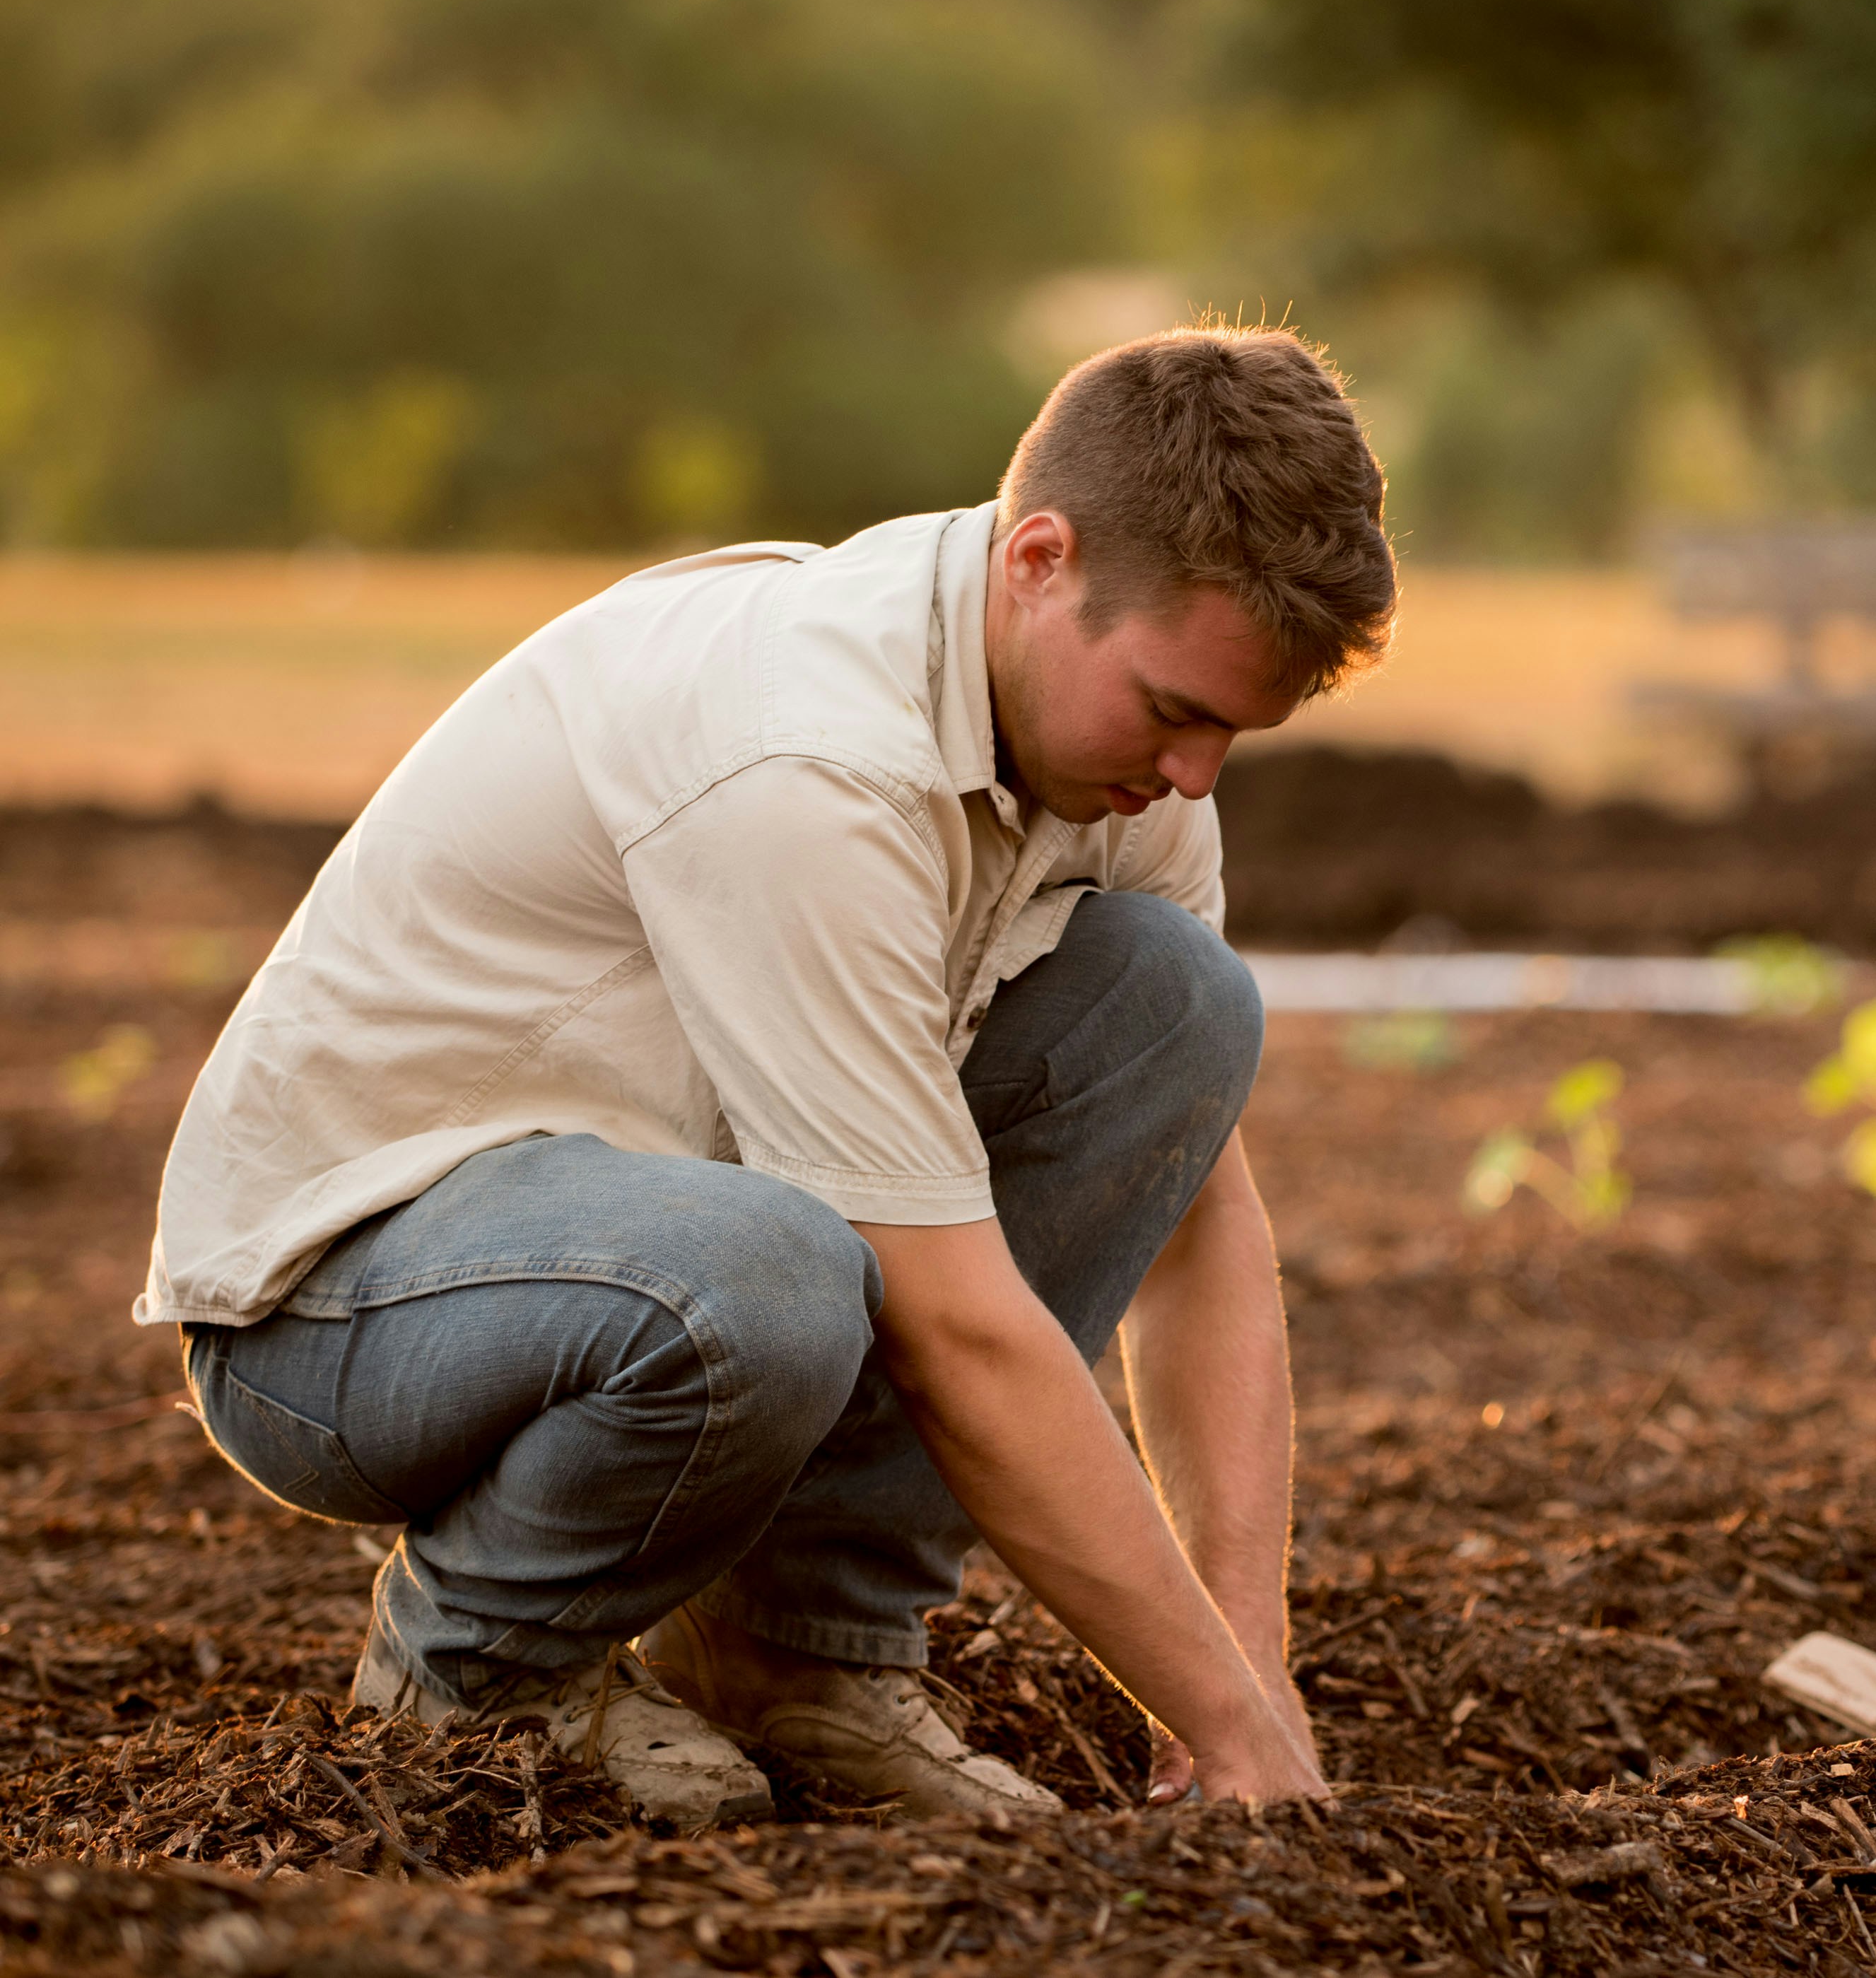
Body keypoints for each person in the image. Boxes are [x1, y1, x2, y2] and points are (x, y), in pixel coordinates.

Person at [144, 324, 1397, 1827]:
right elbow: (955, 1330)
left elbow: (1196, 1222)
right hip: (334, 1308)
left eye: (1231, 734)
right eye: (1174, 710)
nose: (1195, 777)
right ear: (1039, 561)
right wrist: (1215, 1715)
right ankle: (478, 1669)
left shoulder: (1113, 769)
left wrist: (1249, 1689)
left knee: (1174, 1003)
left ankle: (795, 1652)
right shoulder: (807, 760)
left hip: (650, 1236)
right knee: (775, 1273)